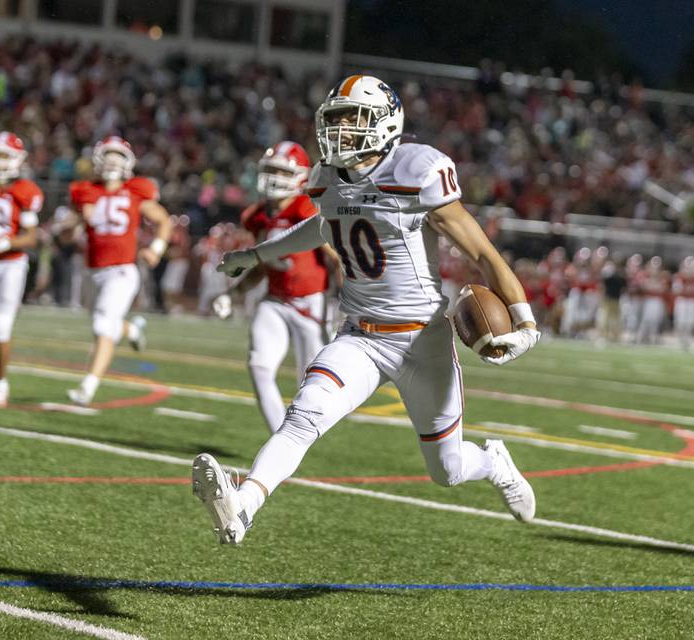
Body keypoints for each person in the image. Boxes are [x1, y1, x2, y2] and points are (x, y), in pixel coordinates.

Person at [191, 75, 541, 545]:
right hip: (360, 336)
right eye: (334, 121)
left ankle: (494, 461)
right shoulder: (325, 181)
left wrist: (526, 323)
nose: (340, 132)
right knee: (304, 414)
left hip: (422, 340)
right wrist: (257, 255)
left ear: (385, 122)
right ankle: (244, 504)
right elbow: (322, 227)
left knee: (449, 469)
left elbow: (483, 254)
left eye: (351, 121)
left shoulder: (417, 170)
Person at [232, 141, 340, 434]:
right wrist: (234, 293)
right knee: (259, 366)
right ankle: (281, 437)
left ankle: (296, 435)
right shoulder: (257, 216)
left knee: (314, 388)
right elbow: (263, 266)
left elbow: (339, 258)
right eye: (270, 170)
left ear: (301, 177)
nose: (274, 178)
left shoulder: (306, 208)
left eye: (281, 171)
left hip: (311, 304)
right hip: (275, 301)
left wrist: (346, 302)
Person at [66, 136, 172, 405]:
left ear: (128, 162)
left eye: (118, 156)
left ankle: (87, 387)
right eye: (108, 155)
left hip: (122, 270)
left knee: (102, 324)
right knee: (104, 322)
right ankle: (132, 330)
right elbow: (72, 229)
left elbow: (163, 220)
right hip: (92, 270)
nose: (113, 161)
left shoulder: (136, 190)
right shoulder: (86, 190)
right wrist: (71, 226)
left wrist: (156, 249)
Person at [0, 132, 43, 407]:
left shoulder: (25, 190)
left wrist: (7, 241)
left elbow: (32, 236)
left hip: (12, 264)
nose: (0, 162)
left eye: (5, 156)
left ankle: (0, 385)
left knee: (1, 326)